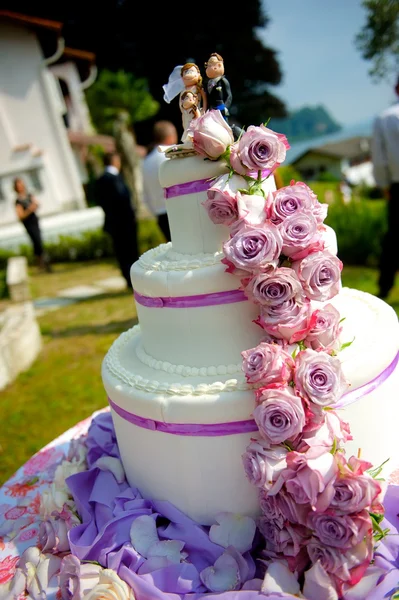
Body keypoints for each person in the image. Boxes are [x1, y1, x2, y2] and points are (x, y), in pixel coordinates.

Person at [371, 75, 399, 300]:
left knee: (394, 241)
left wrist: (384, 185)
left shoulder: (385, 118)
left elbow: (380, 160)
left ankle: (385, 287)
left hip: (397, 186)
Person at [95, 152, 139, 289]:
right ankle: (134, 279)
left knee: (121, 253)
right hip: (124, 223)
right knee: (130, 252)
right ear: (114, 161)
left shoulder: (100, 180)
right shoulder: (115, 179)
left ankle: (127, 278)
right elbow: (123, 199)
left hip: (112, 223)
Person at [142, 121, 178, 242]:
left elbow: (145, 193)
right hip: (178, 210)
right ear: (170, 136)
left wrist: (154, 210)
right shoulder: (170, 155)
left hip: (160, 214)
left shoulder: (145, 162)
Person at [14, 177, 51, 272]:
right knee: (36, 242)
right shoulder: (18, 201)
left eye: (21, 185)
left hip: (34, 221)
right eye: (18, 186)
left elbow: (37, 204)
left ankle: (43, 263)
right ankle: (41, 263)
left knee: (39, 241)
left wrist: (34, 206)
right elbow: (20, 215)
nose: (21, 187)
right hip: (28, 223)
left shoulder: (29, 195)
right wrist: (30, 209)